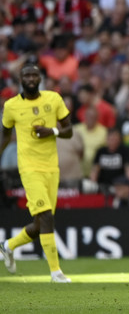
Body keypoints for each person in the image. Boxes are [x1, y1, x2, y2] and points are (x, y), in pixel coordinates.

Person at [0, 64, 72, 283]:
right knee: (47, 216)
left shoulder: (54, 99)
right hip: (29, 168)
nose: (31, 78)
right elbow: (4, 136)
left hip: (51, 167)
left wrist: (53, 131)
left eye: (34, 75)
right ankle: (55, 272)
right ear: (20, 79)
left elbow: (69, 131)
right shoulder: (11, 106)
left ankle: (8, 245)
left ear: (40, 78)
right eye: (26, 75)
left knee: (40, 223)